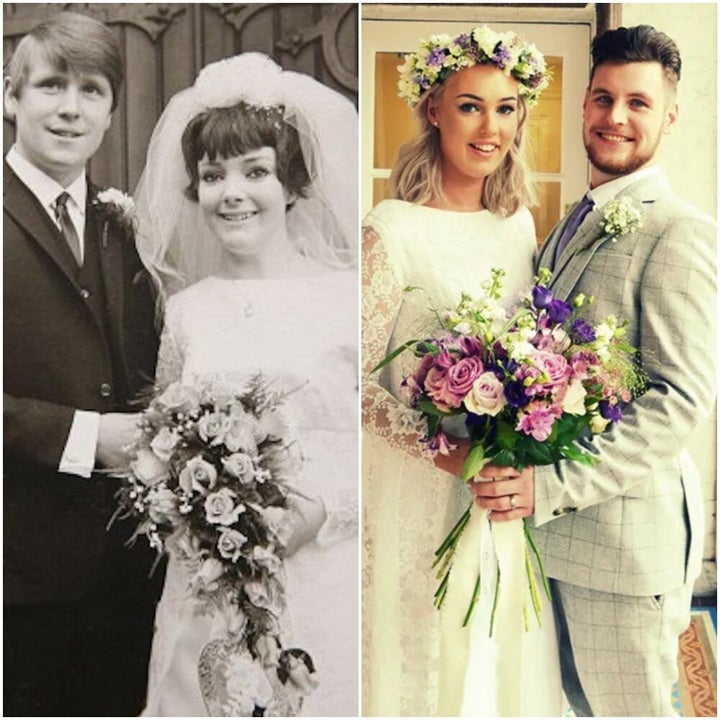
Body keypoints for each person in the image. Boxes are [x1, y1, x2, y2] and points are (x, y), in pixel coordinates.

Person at [472, 25, 717, 717]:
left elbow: (677, 400)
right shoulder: (564, 225)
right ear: (582, 105)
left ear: (669, 115)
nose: (616, 117)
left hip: (623, 551)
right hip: (557, 545)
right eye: (604, 98)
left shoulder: (677, 231)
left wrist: (547, 488)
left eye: (638, 103)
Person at [134, 52, 358, 716]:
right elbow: (161, 447)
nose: (232, 192)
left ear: (291, 185)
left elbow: (389, 441)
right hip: (207, 585)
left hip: (323, 572)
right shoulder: (187, 310)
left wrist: (320, 510)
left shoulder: (346, 297)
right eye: (212, 175)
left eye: (255, 171)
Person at [362, 26, 563, 717]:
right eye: (471, 106)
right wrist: (444, 451)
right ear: (434, 111)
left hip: (495, 495)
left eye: (506, 108)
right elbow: (349, 376)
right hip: (417, 488)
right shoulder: (391, 226)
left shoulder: (519, 226)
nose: (490, 127)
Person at [3, 11, 162, 716]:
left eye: (91, 90)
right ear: (11, 97)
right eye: (50, 85)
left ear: (109, 111)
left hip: (130, 577)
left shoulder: (122, 223)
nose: (70, 107)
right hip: (18, 577)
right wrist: (86, 437)